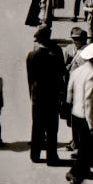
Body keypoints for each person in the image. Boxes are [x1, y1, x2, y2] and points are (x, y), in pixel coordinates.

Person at [25, 25, 66, 165]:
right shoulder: (56, 54)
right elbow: (61, 76)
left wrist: (32, 94)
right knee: (52, 128)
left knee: (36, 126)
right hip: (52, 96)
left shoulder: (31, 55)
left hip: (37, 97)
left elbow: (30, 78)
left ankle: (34, 155)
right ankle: (51, 157)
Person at [65, 41, 93, 184]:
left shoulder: (76, 71)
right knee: (91, 147)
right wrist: (92, 125)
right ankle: (76, 175)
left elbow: (70, 92)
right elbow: (89, 101)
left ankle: (83, 171)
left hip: (76, 114)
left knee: (83, 147)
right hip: (87, 116)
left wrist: (70, 107)